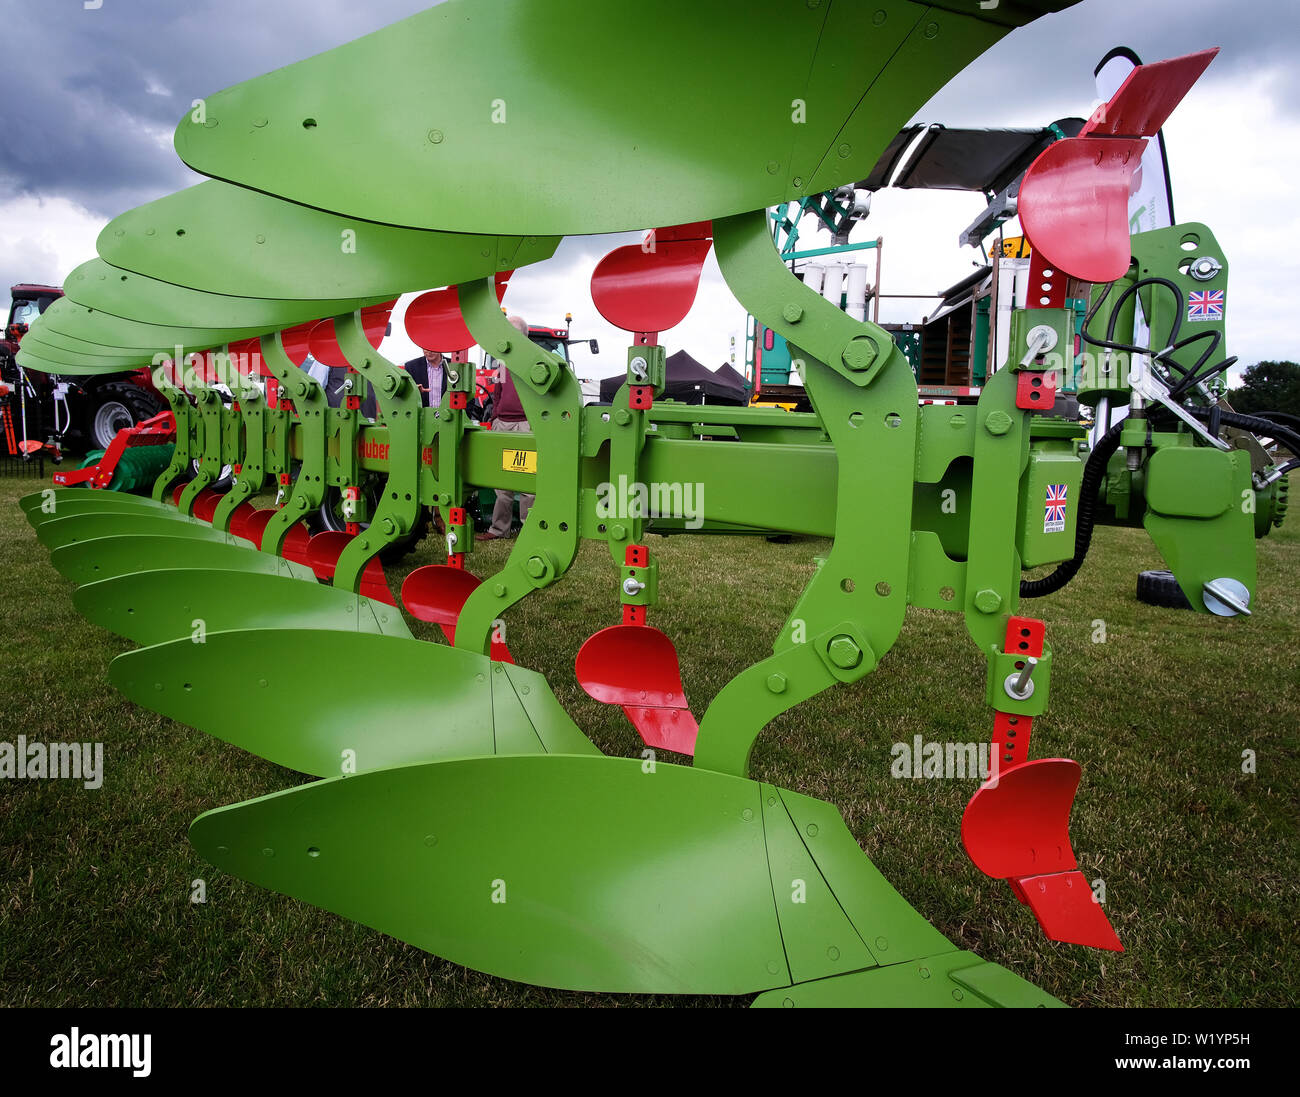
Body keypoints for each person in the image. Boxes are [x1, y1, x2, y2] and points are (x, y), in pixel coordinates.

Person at [478, 315, 536, 540]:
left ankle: (529, 531)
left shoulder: (533, 359)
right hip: (502, 423)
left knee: (527, 481)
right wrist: (494, 418)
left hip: (525, 424)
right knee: (502, 481)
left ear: (523, 334)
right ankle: (498, 529)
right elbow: (498, 392)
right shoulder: (502, 360)